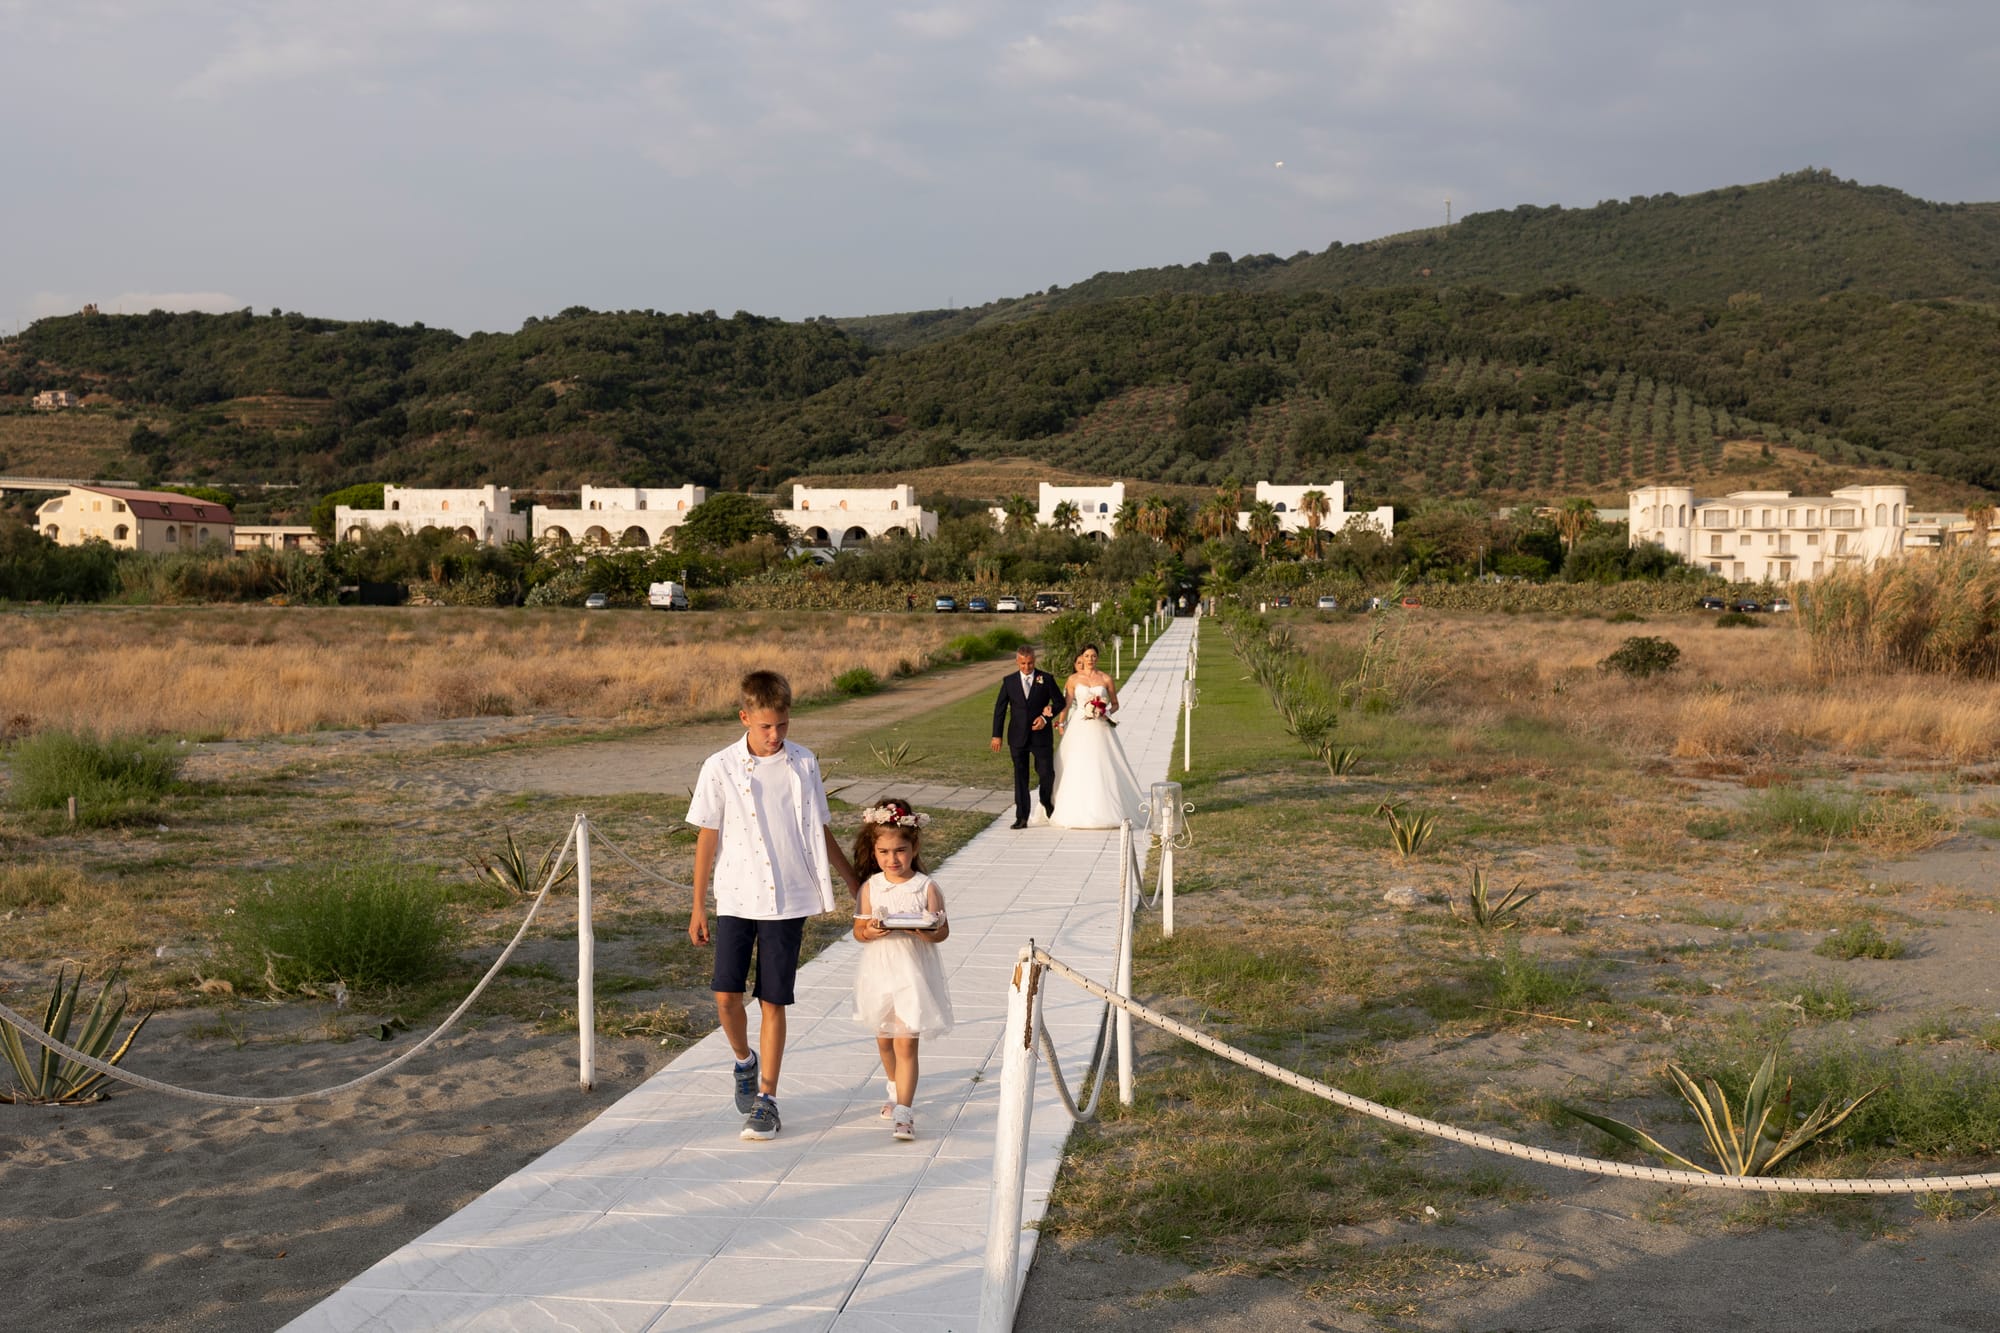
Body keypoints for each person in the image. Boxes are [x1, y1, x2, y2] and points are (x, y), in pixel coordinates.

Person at [687, 669, 862, 1142]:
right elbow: (708, 835)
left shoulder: (803, 763)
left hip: (788, 899)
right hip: (737, 895)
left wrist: (851, 880)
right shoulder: (718, 767)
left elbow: (819, 826)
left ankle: (767, 1100)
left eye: (782, 725)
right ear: (744, 717)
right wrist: (698, 905)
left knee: (772, 999)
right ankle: (744, 1061)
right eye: (765, 726)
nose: (775, 736)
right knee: (726, 996)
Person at [849, 798, 953, 1141]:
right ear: (874, 851)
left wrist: (924, 929)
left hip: (912, 972)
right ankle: (894, 1088)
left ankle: (905, 1113)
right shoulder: (871, 887)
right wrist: (873, 931)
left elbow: (941, 931)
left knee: (906, 1043)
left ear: (914, 847)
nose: (892, 859)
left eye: (900, 851)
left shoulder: (925, 887)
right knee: (884, 1040)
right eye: (884, 852)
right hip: (880, 972)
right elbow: (860, 931)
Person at [1049, 644, 1147, 829]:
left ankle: (1107, 806)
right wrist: (1061, 723)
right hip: (1080, 724)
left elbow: (1116, 704)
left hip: (1100, 724)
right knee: (1078, 762)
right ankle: (1075, 807)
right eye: (1087, 656)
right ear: (1082, 657)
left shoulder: (1105, 678)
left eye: (1093, 656)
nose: (1090, 659)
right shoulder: (1073, 679)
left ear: (1097, 658)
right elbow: (1067, 704)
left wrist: (1105, 710)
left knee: (1103, 762)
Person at [990, 645, 1062, 828]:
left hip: (1041, 736)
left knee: (1046, 773)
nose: (1026, 667)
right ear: (1017, 662)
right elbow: (1000, 710)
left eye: (1030, 663)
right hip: (1017, 737)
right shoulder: (1009, 682)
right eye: (1023, 664)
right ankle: (1022, 817)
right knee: (1020, 776)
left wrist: (1047, 716)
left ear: (1034, 661)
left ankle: (1046, 801)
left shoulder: (1046, 679)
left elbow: (1059, 702)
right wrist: (996, 735)